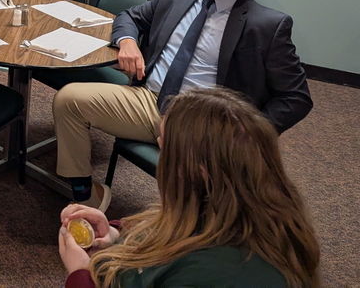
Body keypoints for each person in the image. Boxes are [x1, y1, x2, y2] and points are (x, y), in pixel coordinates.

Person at [53, 0, 311, 210]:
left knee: (199, 199)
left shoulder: (268, 25)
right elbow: (131, 17)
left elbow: (296, 98)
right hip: (151, 100)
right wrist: (127, 42)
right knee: (69, 100)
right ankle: (86, 195)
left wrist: (245, 135)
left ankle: (185, 234)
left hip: (205, 122)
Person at [58, 87, 320, 287]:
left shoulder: (215, 271)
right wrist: (115, 239)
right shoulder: (229, 210)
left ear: (195, 170)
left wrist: (80, 274)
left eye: (163, 146)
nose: (159, 151)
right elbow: (166, 235)